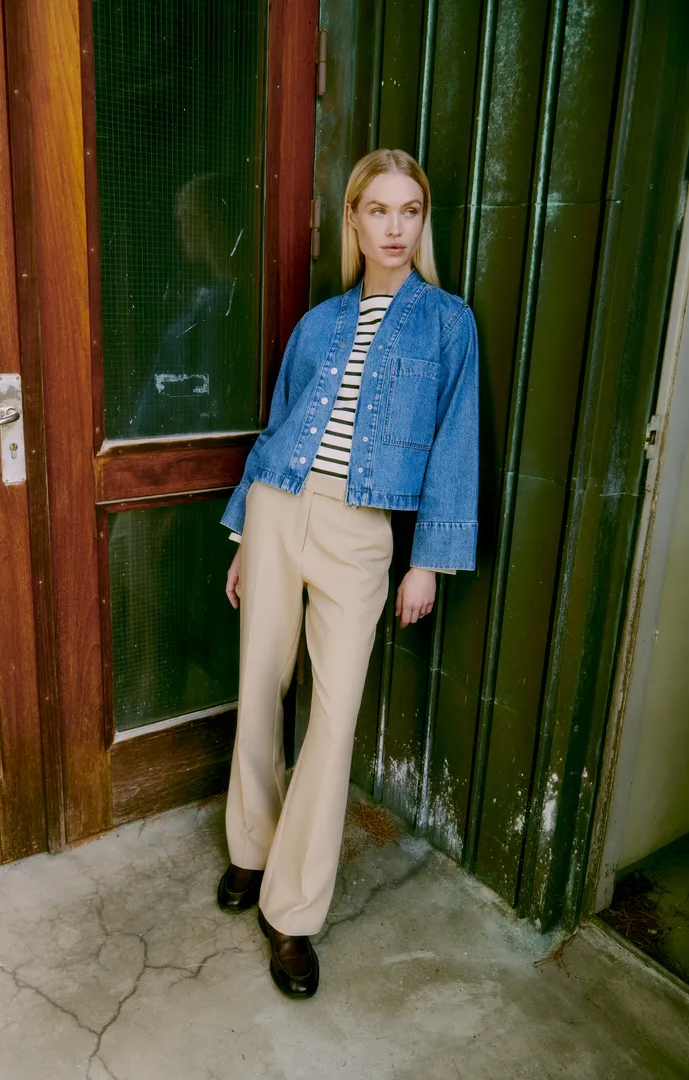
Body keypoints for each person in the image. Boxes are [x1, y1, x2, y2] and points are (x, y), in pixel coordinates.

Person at [217, 148, 479, 998]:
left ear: (421, 221)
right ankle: (251, 849)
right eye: (378, 210)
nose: (394, 227)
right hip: (277, 507)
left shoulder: (448, 324)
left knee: (332, 720)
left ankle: (293, 913)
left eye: (410, 211)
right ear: (355, 221)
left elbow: (455, 446)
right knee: (260, 684)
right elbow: (278, 426)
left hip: (361, 531)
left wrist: (426, 562)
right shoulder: (320, 322)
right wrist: (245, 536)